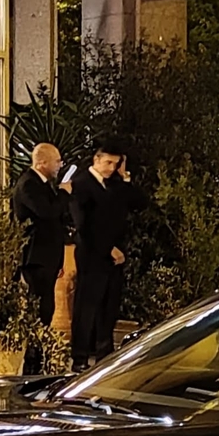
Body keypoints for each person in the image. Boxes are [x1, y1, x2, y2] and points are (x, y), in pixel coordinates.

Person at [67, 142, 141, 368]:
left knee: (108, 307)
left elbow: (139, 203)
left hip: (114, 257)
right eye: (108, 162)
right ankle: (79, 357)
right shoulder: (82, 184)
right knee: (87, 307)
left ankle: (104, 355)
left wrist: (125, 176)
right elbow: (84, 225)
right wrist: (108, 248)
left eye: (115, 163)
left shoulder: (114, 185)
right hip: (93, 254)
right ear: (96, 159)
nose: (111, 167)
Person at [11, 142, 73, 330]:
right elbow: (48, 212)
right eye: (57, 161)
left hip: (46, 256)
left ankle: (39, 351)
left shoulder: (42, 184)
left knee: (46, 305)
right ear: (42, 163)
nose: (60, 166)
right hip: (36, 257)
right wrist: (63, 193)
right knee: (39, 307)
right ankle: (33, 353)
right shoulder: (29, 184)